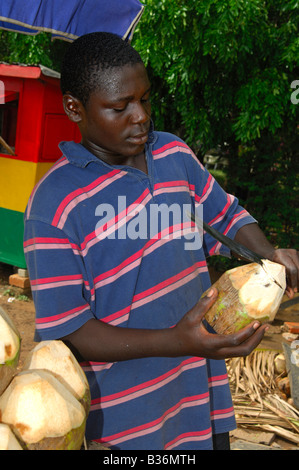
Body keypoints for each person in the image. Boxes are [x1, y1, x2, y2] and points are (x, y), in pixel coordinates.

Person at [23, 32, 299, 451]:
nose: (140, 117)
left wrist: (269, 255)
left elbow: (224, 214)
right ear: (74, 109)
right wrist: (178, 340)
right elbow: (71, 330)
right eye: (120, 107)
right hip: (122, 418)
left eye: (145, 99)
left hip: (199, 390)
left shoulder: (173, 155)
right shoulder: (55, 206)